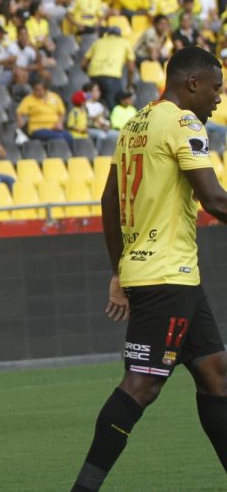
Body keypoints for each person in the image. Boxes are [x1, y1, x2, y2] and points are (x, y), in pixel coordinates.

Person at [71, 47, 227, 491]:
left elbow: (108, 200)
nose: (219, 97)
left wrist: (120, 269)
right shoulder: (183, 122)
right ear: (192, 83)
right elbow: (214, 199)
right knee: (141, 385)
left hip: (170, 275)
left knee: (216, 372)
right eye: (216, 88)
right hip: (166, 275)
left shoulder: (136, 123)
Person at [17, 79, 74, 148]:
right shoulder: (29, 99)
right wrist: (20, 121)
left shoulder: (54, 97)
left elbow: (62, 112)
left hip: (53, 128)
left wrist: (59, 123)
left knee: (68, 136)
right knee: (59, 137)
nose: (36, 92)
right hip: (37, 129)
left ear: (45, 89)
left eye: (39, 90)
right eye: (35, 90)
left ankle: (70, 155)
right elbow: (19, 112)